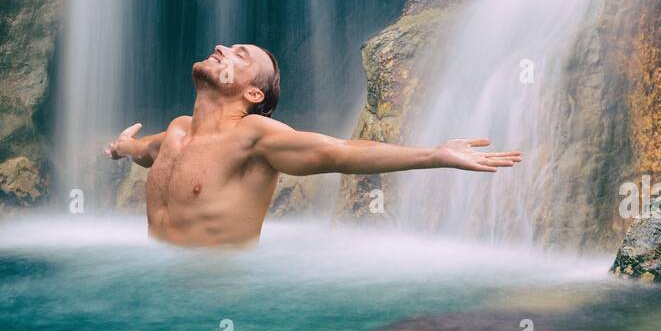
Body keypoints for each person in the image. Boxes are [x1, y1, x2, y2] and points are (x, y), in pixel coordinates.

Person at [104, 43, 521, 246]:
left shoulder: (255, 137)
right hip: (158, 292)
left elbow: (337, 152)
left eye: (239, 56)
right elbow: (147, 154)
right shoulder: (176, 131)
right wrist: (123, 146)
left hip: (217, 302)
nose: (221, 49)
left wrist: (435, 154)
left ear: (252, 95)